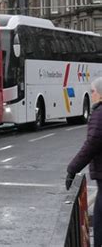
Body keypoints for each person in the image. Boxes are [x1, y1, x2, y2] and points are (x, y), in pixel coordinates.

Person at [66, 77, 102, 247]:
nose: (91, 94)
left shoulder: (99, 113)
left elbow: (92, 143)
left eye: (93, 91)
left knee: (100, 211)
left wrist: (72, 168)